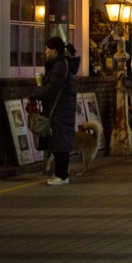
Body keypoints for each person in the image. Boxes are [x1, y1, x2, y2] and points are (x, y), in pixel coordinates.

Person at [28, 36, 78, 186]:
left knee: (60, 143)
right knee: (57, 142)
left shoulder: (60, 66)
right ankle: (59, 174)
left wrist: (35, 93)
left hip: (60, 110)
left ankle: (62, 176)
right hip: (60, 109)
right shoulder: (60, 65)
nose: (45, 51)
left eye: (47, 48)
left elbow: (52, 89)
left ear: (55, 51)